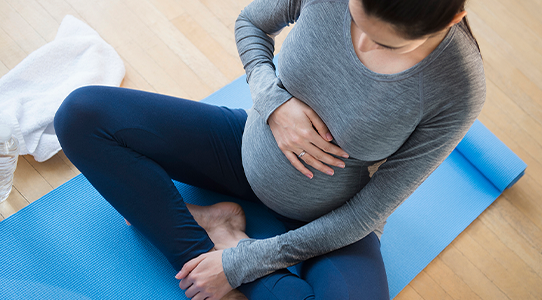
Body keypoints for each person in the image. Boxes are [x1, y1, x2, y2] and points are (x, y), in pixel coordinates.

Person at [54, 0, 486, 298]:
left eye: (389, 44)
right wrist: (273, 102)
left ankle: (222, 246)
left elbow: (372, 209)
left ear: (452, 19)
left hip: (332, 214)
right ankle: (204, 252)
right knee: (82, 114)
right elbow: (251, 23)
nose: (364, 44)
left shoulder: (458, 88)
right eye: (356, 16)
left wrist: (245, 262)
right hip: (247, 149)